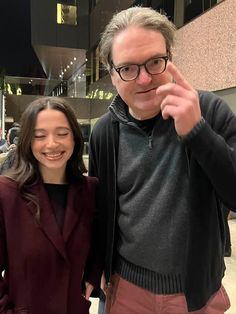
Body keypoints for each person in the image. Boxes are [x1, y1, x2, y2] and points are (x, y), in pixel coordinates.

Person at [88, 6, 236, 314]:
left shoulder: (209, 111)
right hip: (126, 288)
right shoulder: (104, 132)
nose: (144, 79)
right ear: (112, 75)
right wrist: (97, 266)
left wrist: (198, 132)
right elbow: (100, 210)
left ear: (170, 59)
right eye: (128, 68)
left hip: (194, 292)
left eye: (155, 62)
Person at [0, 97, 102, 314]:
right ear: (27, 140)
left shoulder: (90, 190)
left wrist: (92, 277)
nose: (52, 143)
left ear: (75, 138)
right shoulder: (7, 193)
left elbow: (100, 241)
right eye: (40, 136)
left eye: (62, 133)